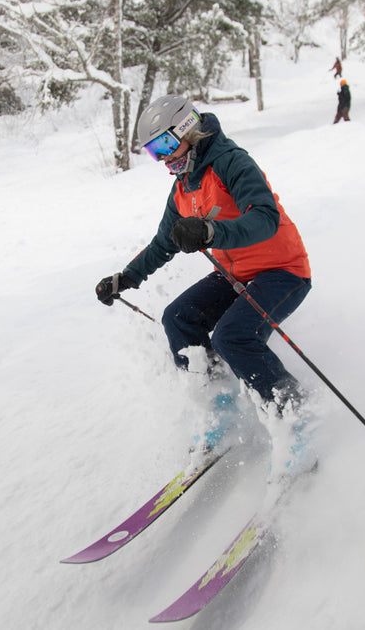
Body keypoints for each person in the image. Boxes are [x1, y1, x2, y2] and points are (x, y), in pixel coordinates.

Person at [95, 95, 315, 475]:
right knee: (178, 318)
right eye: (152, 151)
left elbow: (265, 218)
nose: (162, 158)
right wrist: (127, 277)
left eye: (164, 144)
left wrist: (212, 231)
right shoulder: (183, 185)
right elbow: (165, 240)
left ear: (187, 130)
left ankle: (296, 420)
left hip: (283, 271)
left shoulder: (232, 162)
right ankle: (220, 410)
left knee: (232, 336)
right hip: (237, 273)